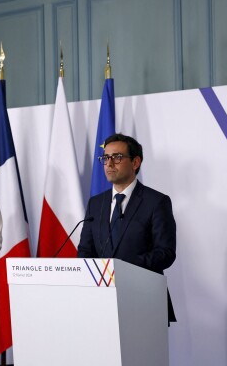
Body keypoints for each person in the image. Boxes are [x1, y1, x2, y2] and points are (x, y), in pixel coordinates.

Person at [77, 133, 177, 322]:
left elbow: (166, 252)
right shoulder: (95, 204)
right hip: (99, 301)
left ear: (135, 162)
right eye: (105, 158)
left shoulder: (156, 202)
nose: (109, 163)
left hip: (144, 299)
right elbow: (85, 250)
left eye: (117, 157)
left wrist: (121, 269)